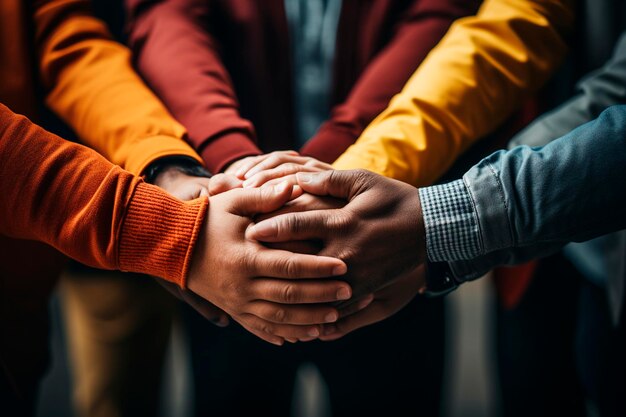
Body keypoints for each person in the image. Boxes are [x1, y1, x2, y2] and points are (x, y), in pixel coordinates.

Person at [124, 0, 482, 415]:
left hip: (386, 240)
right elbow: (168, 16)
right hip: (230, 233)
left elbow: (442, 18)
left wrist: (320, 177)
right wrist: (236, 160)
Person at [0, 103, 353, 415]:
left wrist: (165, 165)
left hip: (23, 320)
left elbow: (74, 51)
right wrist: (173, 231)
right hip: (74, 261)